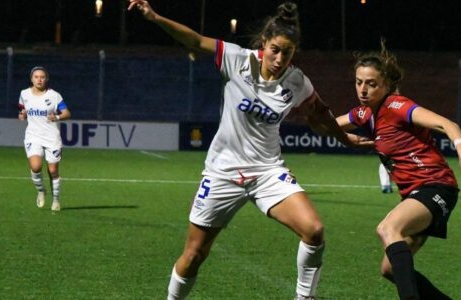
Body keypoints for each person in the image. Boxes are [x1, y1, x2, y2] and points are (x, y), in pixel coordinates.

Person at [128, 1, 372, 299]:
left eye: (288, 52)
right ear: (264, 44)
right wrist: (154, 17)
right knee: (194, 254)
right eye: (275, 50)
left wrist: (344, 139)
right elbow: (194, 40)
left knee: (314, 230)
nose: (280, 58)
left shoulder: (296, 82)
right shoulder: (236, 59)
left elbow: (320, 114)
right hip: (222, 173)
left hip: (267, 171)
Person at [336, 42, 461, 299]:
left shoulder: (396, 106)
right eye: (359, 82)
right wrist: (342, 137)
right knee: (390, 269)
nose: (363, 89)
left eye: (371, 83)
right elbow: (328, 125)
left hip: (436, 186)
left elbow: (446, 124)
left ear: (386, 85)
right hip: (415, 194)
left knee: (387, 229)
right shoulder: (363, 113)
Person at [18, 66, 71, 211]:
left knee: (53, 170)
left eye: (42, 77)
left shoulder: (54, 95)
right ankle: (41, 191)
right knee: (35, 167)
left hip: (51, 137)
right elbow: (22, 108)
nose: (39, 79)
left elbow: (67, 113)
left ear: (46, 79)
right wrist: (22, 115)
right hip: (33, 135)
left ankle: (56, 199)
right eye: (36, 77)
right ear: (31, 79)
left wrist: (57, 117)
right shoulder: (24, 94)